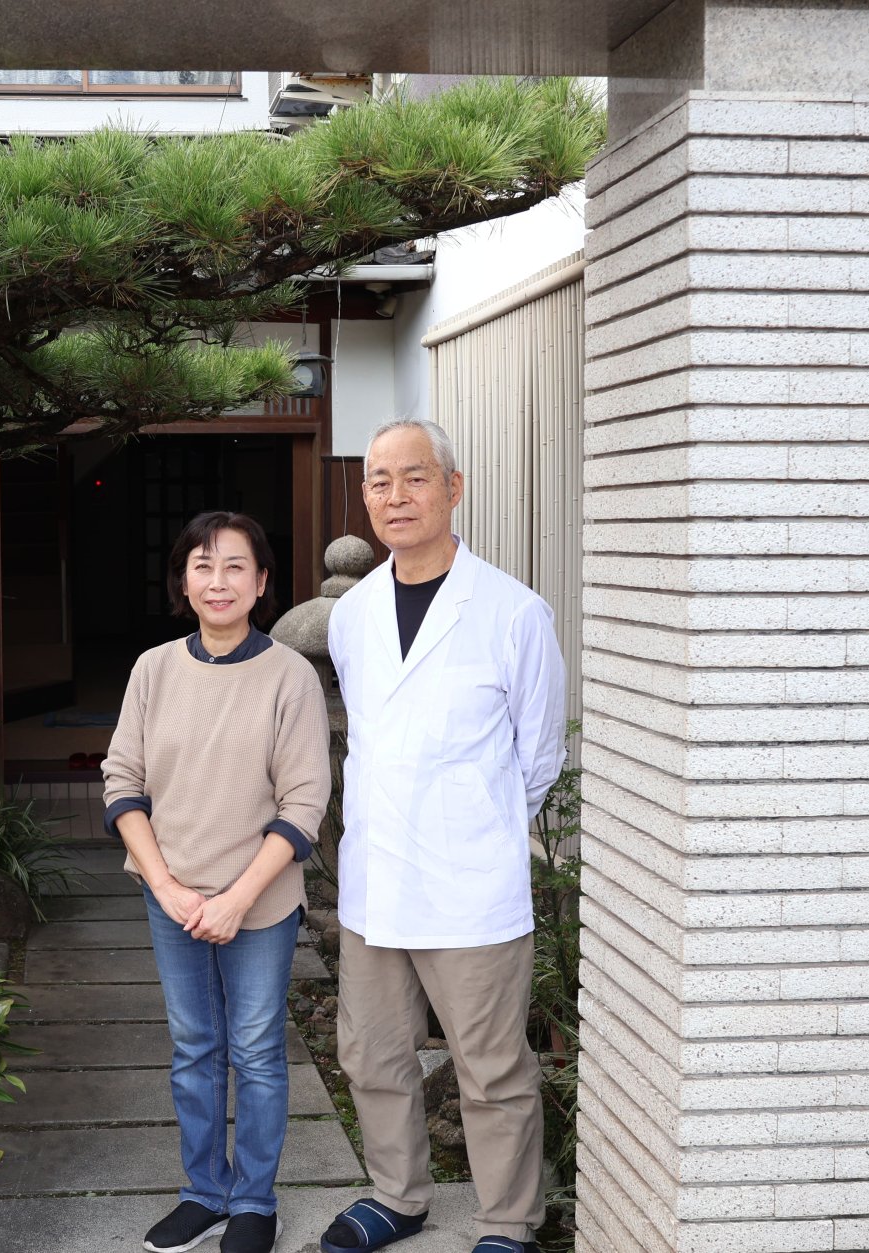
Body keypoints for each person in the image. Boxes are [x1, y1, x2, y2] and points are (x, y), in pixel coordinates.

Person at [320, 420, 567, 1253]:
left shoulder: (512, 610)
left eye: (415, 478)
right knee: (372, 1054)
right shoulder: (350, 617)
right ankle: (397, 1194)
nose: (396, 496)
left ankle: (508, 1222)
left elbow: (537, 756)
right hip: (377, 881)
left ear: (453, 489)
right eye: (379, 481)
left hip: (470, 883)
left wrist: (475, 821)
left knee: (492, 1070)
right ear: (364, 497)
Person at [103, 510, 332, 1253]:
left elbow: (305, 803)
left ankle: (255, 1201)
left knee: (258, 1049)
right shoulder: (153, 669)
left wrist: (236, 897)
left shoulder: (289, 676)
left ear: (262, 582)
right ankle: (204, 1191)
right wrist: (168, 886)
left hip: (258, 902)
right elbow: (122, 781)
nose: (218, 579)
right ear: (184, 581)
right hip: (170, 894)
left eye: (236, 565)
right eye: (203, 565)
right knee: (194, 1045)